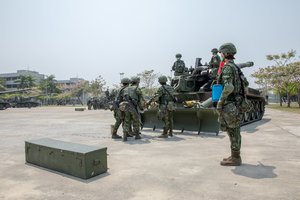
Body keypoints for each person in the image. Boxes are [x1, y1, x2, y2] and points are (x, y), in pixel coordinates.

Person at [217, 42, 247, 166]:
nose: (220, 55)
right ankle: (234, 155)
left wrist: (221, 100)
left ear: (225, 53)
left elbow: (228, 86)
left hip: (230, 104)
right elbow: (245, 85)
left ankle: (236, 158)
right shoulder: (236, 68)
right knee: (234, 130)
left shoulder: (228, 67)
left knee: (233, 131)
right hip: (237, 102)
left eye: (221, 53)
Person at [121, 76, 144, 141]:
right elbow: (140, 100)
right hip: (133, 106)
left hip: (126, 106)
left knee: (127, 120)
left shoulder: (125, 89)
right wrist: (141, 107)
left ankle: (125, 136)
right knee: (136, 120)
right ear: (137, 82)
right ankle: (137, 135)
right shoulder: (136, 88)